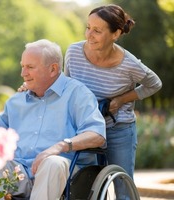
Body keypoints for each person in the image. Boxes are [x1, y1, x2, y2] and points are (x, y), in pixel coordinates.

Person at [0, 39, 106, 199]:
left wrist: (58, 147)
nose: (23, 73)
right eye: (22, 66)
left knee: (53, 163)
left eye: (30, 67)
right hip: (20, 173)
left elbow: (97, 135)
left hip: (63, 176)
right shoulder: (16, 101)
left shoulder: (77, 94)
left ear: (53, 69)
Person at [64, 4, 162, 199]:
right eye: (88, 27)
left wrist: (121, 100)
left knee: (122, 187)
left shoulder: (129, 64)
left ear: (115, 34)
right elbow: (66, 88)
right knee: (85, 184)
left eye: (97, 31)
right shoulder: (74, 53)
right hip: (85, 129)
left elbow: (154, 84)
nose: (89, 34)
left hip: (118, 128)